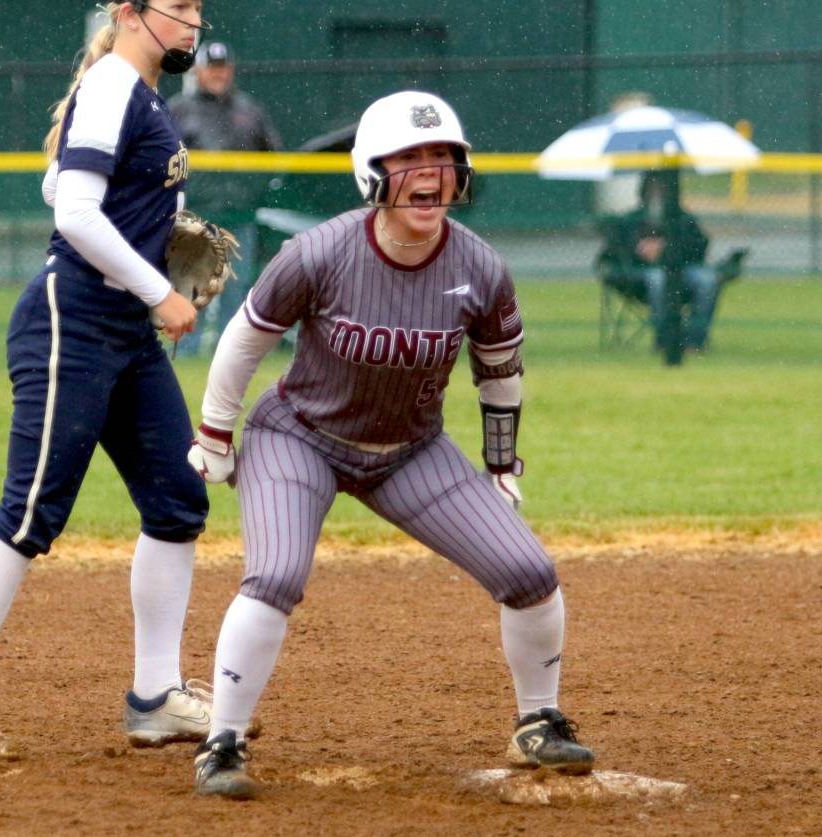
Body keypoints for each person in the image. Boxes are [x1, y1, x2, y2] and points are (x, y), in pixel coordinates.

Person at [183, 90, 596, 799]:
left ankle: (539, 721)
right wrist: (216, 434)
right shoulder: (319, 251)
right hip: (300, 438)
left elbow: (499, 373)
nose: (430, 174)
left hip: (409, 450)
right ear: (371, 172)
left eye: (442, 157)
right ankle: (222, 742)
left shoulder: (481, 266)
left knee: (531, 572)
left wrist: (502, 466)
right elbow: (245, 340)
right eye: (409, 159)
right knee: (275, 578)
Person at [0, 0, 220, 760]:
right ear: (127, 11)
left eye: (197, 8)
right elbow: (78, 217)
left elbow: (60, 185)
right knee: (30, 514)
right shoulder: (116, 85)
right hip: (73, 320)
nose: (191, 20)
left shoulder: (138, 95)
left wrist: (158, 245)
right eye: (176, 6)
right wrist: (159, 287)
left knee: (177, 499)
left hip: (121, 331)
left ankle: (156, 695)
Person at [168, 41, 283, 356]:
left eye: (222, 68)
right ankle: (184, 353)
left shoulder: (249, 110)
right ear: (199, 71)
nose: (217, 74)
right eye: (211, 68)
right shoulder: (180, 108)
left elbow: (272, 155)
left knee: (236, 289)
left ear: (230, 70)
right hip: (196, 215)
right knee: (192, 285)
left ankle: (227, 353)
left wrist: (255, 192)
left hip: (240, 214)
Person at [596, 171, 744, 352]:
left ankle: (694, 341)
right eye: (653, 187)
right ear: (644, 189)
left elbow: (700, 247)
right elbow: (612, 252)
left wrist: (668, 248)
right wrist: (639, 249)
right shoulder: (629, 221)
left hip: (682, 272)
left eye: (664, 187)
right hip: (639, 278)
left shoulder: (684, 220)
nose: (658, 192)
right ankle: (665, 338)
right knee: (658, 279)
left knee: (707, 279)